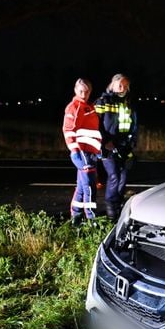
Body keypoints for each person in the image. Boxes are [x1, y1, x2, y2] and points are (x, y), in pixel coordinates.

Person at [94, 73, 138, 221]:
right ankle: (111, 209)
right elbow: (95, 124)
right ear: (113, 84)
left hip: (125, 146)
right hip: (108, 146)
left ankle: (118, 204)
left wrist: (132, 142)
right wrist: (105, 141)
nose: (123, 88)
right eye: (120, 85)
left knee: (124, 177)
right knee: (114, 176)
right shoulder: (103, 101)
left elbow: (134, 124)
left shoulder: (129, 102)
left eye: (126, 85)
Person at [62, 78, 102, 225]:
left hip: (90, 152)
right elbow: (68, 130)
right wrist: (75, 151)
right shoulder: (74, 107)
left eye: (86, 91)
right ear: (75, 90)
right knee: (90, 187)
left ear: (90, 91)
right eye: (81, 91)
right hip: (82, 152)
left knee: (81, 187)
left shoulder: (88, 106)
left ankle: (76, 217)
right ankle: (92, 221)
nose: (84, 94)